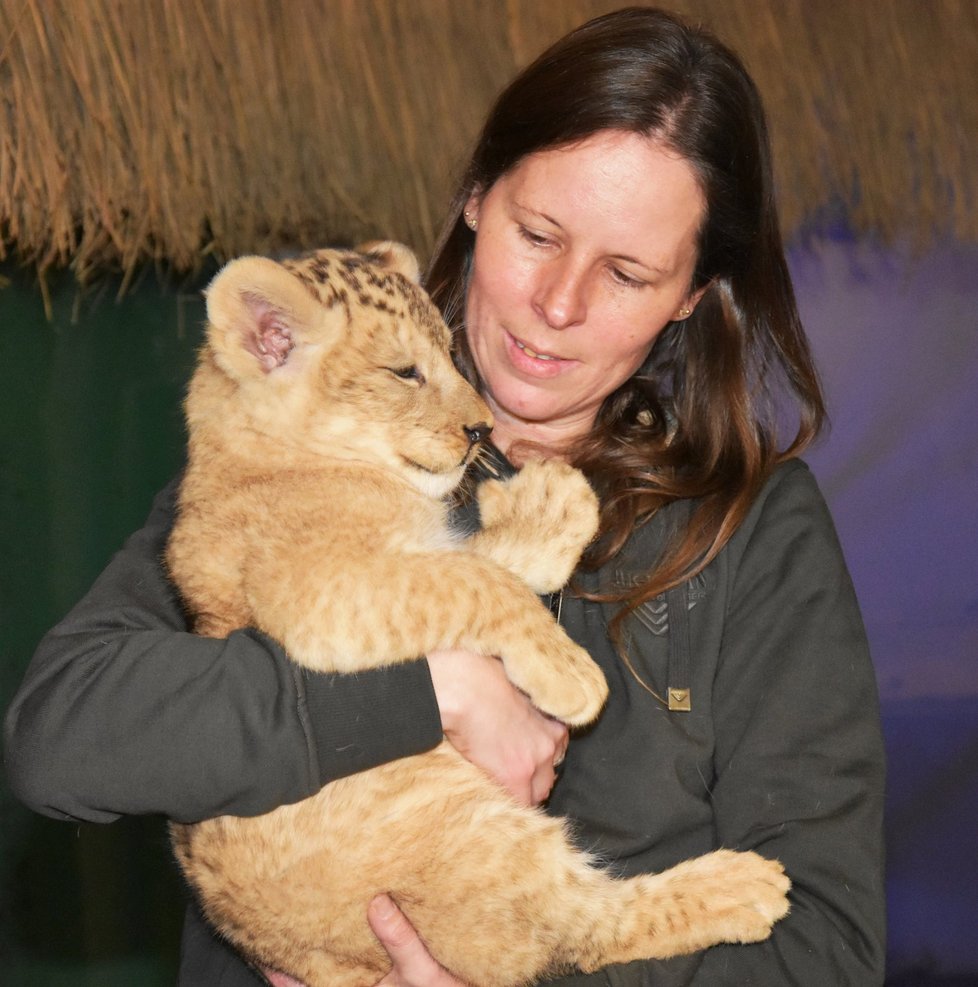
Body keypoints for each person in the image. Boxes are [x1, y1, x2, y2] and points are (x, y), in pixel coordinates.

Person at [3, 6, 886, 985]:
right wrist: (428, 695)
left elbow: (827, 949)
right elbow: (64, 735)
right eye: (538, 232)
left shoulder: (756, 533)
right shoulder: (308, 443)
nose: (560, 304)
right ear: (474, 196)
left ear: (688, 296)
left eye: (628, 273)